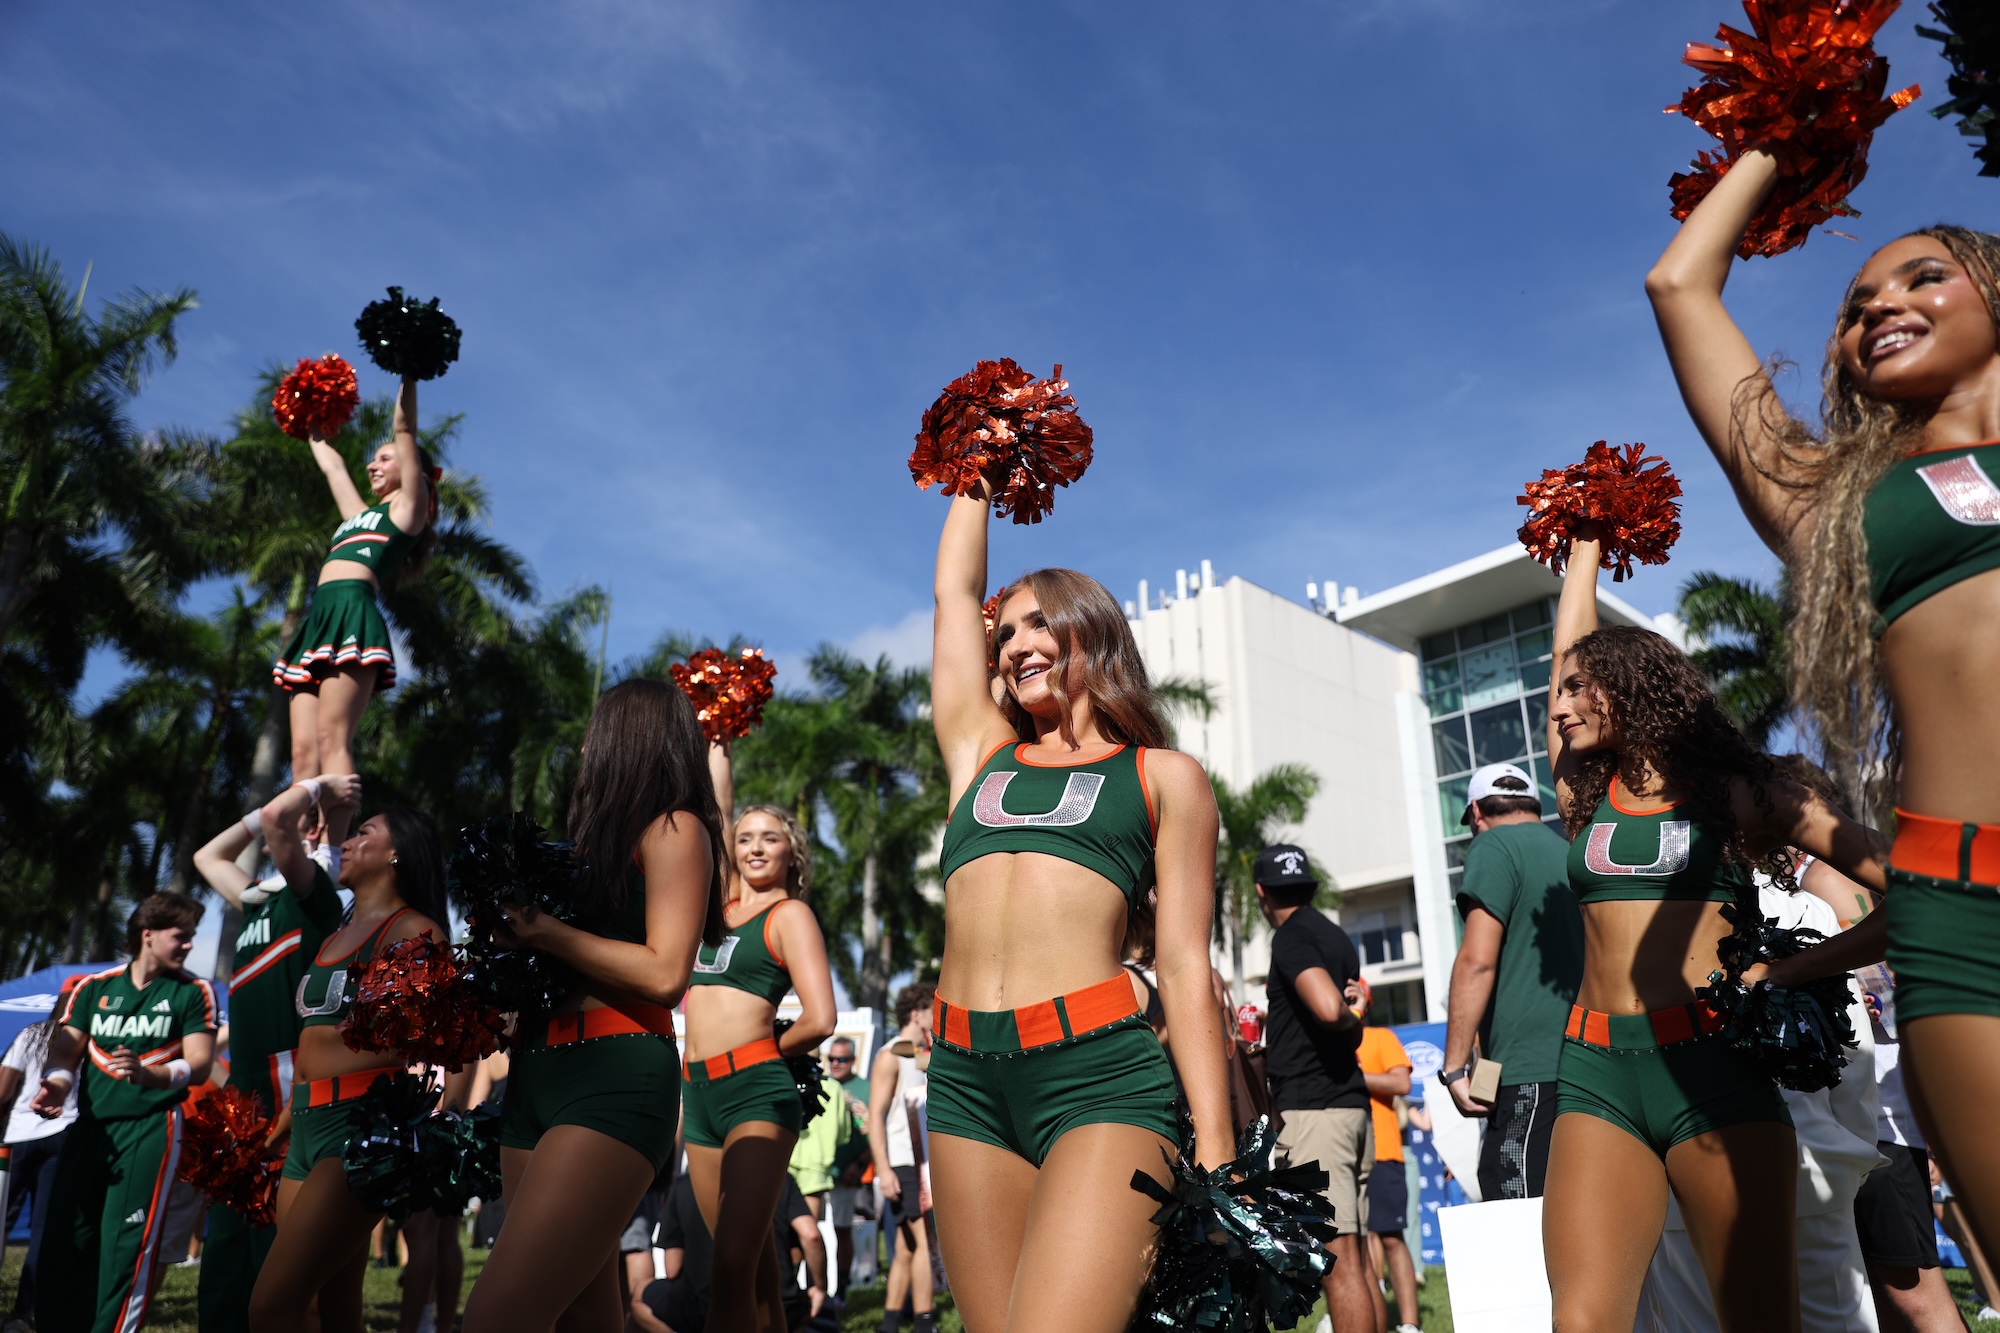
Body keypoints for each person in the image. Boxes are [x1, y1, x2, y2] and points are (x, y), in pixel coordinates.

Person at [1648, 152, 2000, 1258]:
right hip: (1963, 902)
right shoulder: (1829, 500)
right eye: (1855, 307)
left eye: (1923, 277)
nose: (1880, 306)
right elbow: (1678, 287)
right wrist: (1774, 127)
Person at [1539, 527, 1895, 1331]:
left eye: (1577, 690)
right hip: (1596, 1073)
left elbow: (1909, 894)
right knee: (1582, 1320)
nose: (1559, 706)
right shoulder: (1580, 798)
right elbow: (1567, 641)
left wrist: (1791, 972)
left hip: (1715, 1074)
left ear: (1631, 689)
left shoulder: (1744, 795)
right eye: (1557, 692)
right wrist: (1588, 537)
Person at [929, 489, 1232, 1333]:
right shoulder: (980, 753)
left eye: (1037, 624)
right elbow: (955, 595)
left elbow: (1182, 967)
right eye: (1007, 632)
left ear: (1089, 631)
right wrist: (975, 472)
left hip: (1098, 1076)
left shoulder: (1162, 777)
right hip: (962, 1084)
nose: (1017, 642)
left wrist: (1216, 1141)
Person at [462, 677, 725, 1333]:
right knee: (583, 1313)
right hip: (535, 1076)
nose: (583, 744)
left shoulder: (675, 827)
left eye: (595, 729)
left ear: (626, 738)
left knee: (496, 1318)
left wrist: (543, 930)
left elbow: (667, 972)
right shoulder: (588, 844)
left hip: (614, 1075)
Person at [1634, 870, 1885, 1333]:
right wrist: (1851, 1146)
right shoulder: (1802, 907)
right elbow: (1851, 1058)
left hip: (1700, 1180)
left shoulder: (1635, 913)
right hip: (1803, 1167)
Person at [248, 793, 450, 1333]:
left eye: (365, 831)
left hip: (361, 1127)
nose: (349, 841)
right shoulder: (335, 935)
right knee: (328, 1309)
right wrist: (278, 1128)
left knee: (271, 1307)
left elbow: (415, 1041)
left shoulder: (416, 932)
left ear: (398, 854)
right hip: (307, 1125)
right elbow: (311, 1048)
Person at [685, 746, 838, 1333]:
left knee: (729, 1266)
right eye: (746, 837)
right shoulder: (717, 906)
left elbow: (821, 1018)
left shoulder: (789, 916)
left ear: (790, 852)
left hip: (756, 1092)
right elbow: (715, 811)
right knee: (751, 1271)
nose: (753, 846)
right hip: (696, 1096)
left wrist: (770, 1049)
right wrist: (718, 740)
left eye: (769, 838)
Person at [190, 778, 351, 1333]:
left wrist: (316, 784)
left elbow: (281, 821)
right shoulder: (259, 897)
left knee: (268, 1228)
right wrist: (305, 796)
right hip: (246, 1080)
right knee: (228, 1227)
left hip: (286, 1074)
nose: (307, 825)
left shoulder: (318, 899)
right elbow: (207, 855)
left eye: (318, 825)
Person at [30, 893, 217, 1333]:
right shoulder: (94, 988)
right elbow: (64, 1054)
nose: (189, 945)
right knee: (64, 1240)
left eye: (192, 937)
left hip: (151, 1129)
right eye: (181, 936)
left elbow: (199, 1063)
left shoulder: (193, 992)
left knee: (126, 1249)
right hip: (90, 1128)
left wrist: (149, 1075)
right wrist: (55, 1085)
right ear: (147, 935)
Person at [270, 377, 436, 845]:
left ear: (412, 469)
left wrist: (408, 372)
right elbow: (334, 469)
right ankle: (301, 847)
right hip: (318, 619)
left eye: (385, 457)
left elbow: (404, 427)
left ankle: (331, 852)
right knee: (302, 753)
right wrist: (309, 422)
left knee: (332, 739)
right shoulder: (357, 516)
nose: (373, 463)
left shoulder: (407, 511)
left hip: (351, 615)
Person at [1440, 762, 1584, 1200]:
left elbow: (1477, 962)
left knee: (1517, 1213)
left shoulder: (1492, 846)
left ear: (1477, 813)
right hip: (1587, 1063)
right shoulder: (1569, 852)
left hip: (1527, 1071)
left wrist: (1453, 1069)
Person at [1254, 843, 1377, 1332]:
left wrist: (1343, 1012)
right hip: (1348, 1105)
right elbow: (1350, 1018)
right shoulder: (1335, 936)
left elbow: (1330, 1009)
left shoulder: (1290, 939)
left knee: (1338, 1263)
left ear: (1263, 893)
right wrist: (1352, 1013)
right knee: (1359, 1260)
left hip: (1316, 1111)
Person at [635, 1169, 829, 1333]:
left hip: (704, 1308)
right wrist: (819, 1288)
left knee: (638, 1298)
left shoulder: (685, 1185)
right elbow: (811, 1235)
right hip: (778, 1307)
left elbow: (672, 1268)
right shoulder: (778, 1178)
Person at [0, 977, 82, 1331]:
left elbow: (3, 1091)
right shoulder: (88, 1040)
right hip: (64, 1134)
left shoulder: (30, 1034)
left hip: (18, 1138)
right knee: (42, 1230)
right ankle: (23, 1314)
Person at [868, 985, 935, 1333]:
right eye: (932, 1010)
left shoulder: (910, 1051)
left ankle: (890, 1324)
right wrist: (883, 1169)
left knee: (905, 1248)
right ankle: (925, 1323)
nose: (937, 1017)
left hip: (918, 1162)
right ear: (916, 1014)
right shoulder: (889, 1055)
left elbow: (922, 1055)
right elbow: (874, 1116)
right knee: (924, 1244)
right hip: (903, 1162)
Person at [1357, 1023, 1418, 1333]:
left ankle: (1410, 1324)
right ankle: (1364, 1317)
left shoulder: (1380, 1037)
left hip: (1381, 1151)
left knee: (1391, 1237)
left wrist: (1354, 1078)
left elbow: (1402, 1083)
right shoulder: (1322, 1040)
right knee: (1350, 1242)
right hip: (1342, 1154)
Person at [822, 1037, 872, 1290]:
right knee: (810, 1231)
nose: (835, 1064)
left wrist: (860, 1163)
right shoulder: (820, 1085)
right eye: (831, 1058)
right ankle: (814, 1286)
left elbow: (877, 1133)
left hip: (848, 1173)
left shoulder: (867, 1088)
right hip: (817, 1172)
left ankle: (842, 1288)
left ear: (853, 1061)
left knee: (843, 1230)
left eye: (842, 1059)